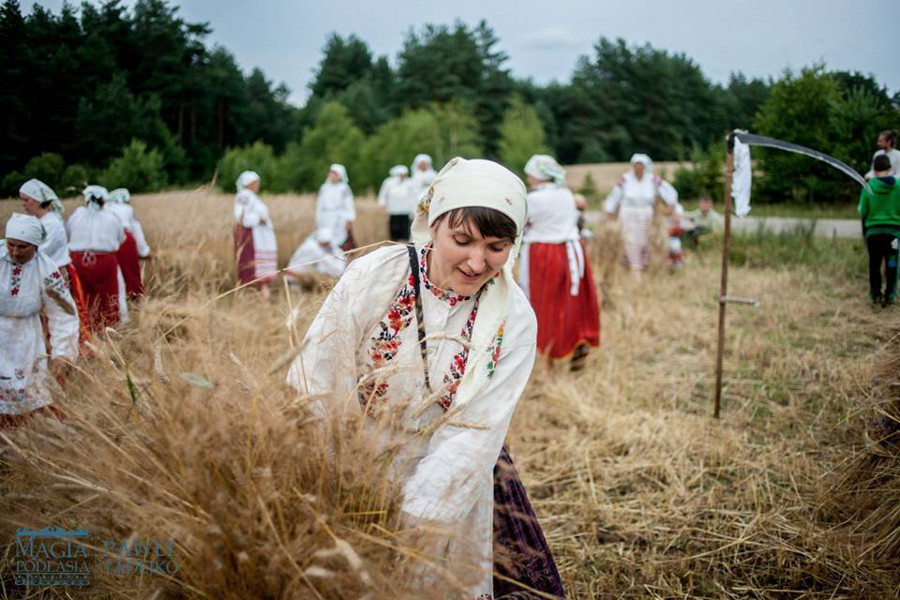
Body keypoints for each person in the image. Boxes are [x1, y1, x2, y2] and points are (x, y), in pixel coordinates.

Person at [287, 158, 565, 599]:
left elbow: (475, 432)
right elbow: (317, 375)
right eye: (462, 240)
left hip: (448, 489)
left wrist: (416, 521)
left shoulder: (512, 319)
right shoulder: (378, 275)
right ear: (433, 224)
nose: (477, 262)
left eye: (496, 247)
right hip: (353, 469)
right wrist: (341, 484)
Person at [518, 155, 600, 370]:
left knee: (546, 304)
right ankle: (575, 341)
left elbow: (520, 224)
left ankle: (550, 356)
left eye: (531, 175)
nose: (529, 178)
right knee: (570, 303)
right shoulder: (566, 194)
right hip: (571, 251)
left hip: (545, 253)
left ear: (539, 176)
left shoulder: (534, 199)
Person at [1, 214, 79, 428]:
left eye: (22, 247)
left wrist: (62, 353)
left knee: (26, 392)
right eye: (11, 245)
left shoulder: (47, 269)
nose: (15, 251)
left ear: (35, 246)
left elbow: (64, 313)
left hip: (25, 337)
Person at [19, 178, 92, 353]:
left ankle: (66, 355)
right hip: (45, 276)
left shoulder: (51, 224)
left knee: (61, 318)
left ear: (38, 200)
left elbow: (40, 253)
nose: (23, 204)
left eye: (26, 199)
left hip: (56, 275)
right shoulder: (42, 222)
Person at [603, 153, 679, 276]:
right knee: (631, 242)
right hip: (628, 214)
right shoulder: (625, 179)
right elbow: (614, 195)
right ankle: (635, 270)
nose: (638, 168)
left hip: (646, 214)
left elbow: (668, 190)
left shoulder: (652, 179)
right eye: (636, 165)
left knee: (645, 242)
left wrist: (671, 205)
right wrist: (609, 211)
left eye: (641, 165)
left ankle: (644, 267)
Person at [67, 185, 128, 330]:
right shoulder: (111, 217)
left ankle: (84, 326)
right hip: (104, 259)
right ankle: (108, 327)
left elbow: (67, 234)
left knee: (82, 295)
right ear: (104, 200)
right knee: (108, 296)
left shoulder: (76, 215)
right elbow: (121, 238)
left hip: (78, 259)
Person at [858, 154, 900, 307]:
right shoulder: (899, 186)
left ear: (874, 170)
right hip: (893, 234)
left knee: (874, 265)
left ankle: (875, 295)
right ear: (890, 169)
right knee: (892, 265)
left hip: (873, 233)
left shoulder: (869, 186)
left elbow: (863, 211)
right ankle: (889, 295)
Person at [233, 171, 278, 300]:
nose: (258, 185)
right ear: (249, 183)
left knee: (259, 268)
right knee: (251, 266)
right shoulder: (244, 196)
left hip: (261, 237)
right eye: (256, 182)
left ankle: (262, 296)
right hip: (252, 237)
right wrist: (259, 219)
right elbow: (241, 217)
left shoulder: (252, 197)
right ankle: (250, 297)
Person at [106, 188, 145, 298]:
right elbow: (137, 230)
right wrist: (144, 251)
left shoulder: (104, 209)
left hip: (106, 242)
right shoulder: (127, 209)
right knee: (130, 273)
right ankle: (133, 296)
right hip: (125, 241)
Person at [315, 164, 356, 251]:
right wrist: (318, 219)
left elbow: (349, 205)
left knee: (339, 241)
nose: (332, 175)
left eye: (334, 173)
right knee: (325, 238)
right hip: (325, 217)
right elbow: (319, 205)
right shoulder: (324, 188)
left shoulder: (344, 188)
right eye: (331, 173)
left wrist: (348, 220)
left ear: (340, 176)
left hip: (339, 218)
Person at [378, 165, 415, 241]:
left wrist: (413, 210)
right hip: (393, 212)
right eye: (400, 175)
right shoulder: (388, 182)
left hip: (406, 212)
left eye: (404, 175)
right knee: (394, 233)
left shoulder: (409, 182)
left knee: (406, 233)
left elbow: (413, 197)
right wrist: (382, 206)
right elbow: (383, 195)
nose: (402, 177)